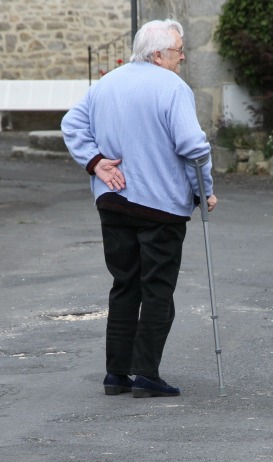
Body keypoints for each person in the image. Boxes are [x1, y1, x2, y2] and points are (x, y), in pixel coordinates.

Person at [61, 19, 217, 398]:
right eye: (179, 51)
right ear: (160, 54)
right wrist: (204, 192)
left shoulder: (108, 82)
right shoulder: (173, 87)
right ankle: (146, 374)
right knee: (158, 290)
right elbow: (194, 148)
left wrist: (96, 162)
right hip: (160, 206)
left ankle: (116, 374)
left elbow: (71, 124)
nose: (182, 58)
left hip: (113, 201)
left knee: (125, 285)